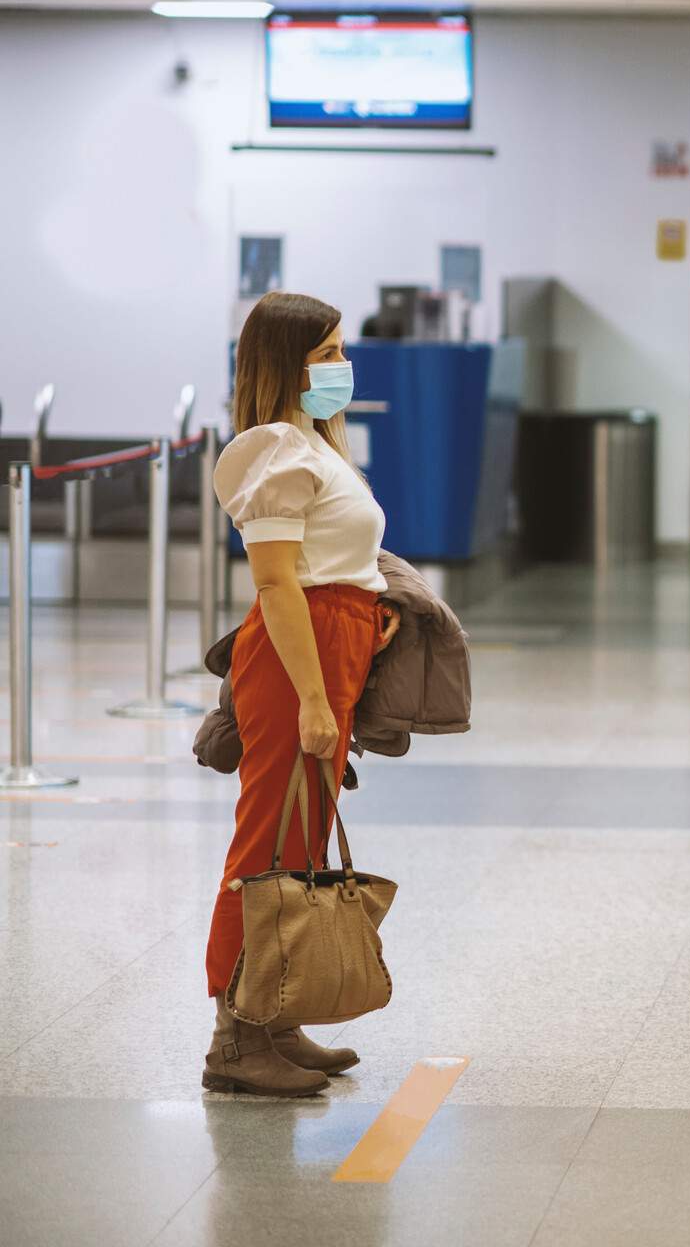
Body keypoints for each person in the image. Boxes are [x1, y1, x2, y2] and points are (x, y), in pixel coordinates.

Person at [202, 292, 399, 1097]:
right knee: (266, 847)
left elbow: (327, 566)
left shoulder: (314, 446)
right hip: (297, 659)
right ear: (285, 365)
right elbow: (279, 584)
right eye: (326, 355)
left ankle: (276, 1016)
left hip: (331, 645)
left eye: (340, 352)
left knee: (303, 840)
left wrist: (367, 623)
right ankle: (236, 1037)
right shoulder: (275, 450)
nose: (340, 369)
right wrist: (315, 699)